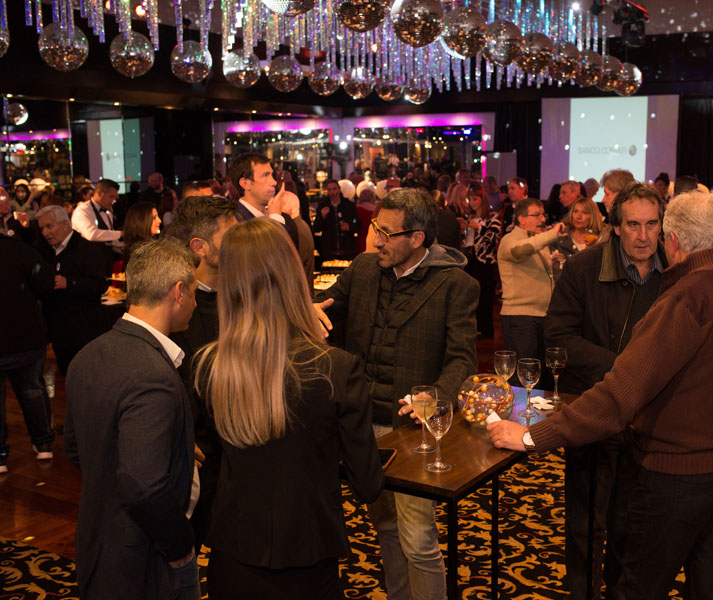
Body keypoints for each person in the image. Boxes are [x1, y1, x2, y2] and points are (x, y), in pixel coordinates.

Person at [490, 192, 713, 599]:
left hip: (677, 472)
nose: (648, 237)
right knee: (712, 582)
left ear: (672, 239)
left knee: (639, 587)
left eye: (656, 229)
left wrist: (531, 436)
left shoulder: (685, 298)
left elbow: (621, 394)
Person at [195, 218, 383, 599]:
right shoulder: (336, 368)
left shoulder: (209, 366)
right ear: (293, 275)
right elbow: (368, 484)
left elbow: (210, 471)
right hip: (307, 558)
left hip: (232, 556)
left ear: (229, 285)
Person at [314, 188, 478, 600]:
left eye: (386, 233)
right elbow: (324, 306)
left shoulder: (456, 285)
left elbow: (462, 360)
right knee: (384, 526)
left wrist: (434, 398)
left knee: (418, 539)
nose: (376, 240)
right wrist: (305, 309)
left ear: (417, 238)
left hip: (410, 430)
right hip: (360, 424)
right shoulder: (363, 269)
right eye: (376, 228)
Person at [544, 182, 666, 599]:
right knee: (585, 523)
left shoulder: (675, 272)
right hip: (594, 411)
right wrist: (624, 368)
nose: (644, 235)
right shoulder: (584, 268)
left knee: (632, 522)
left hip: (650, 420)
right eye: (633, 225)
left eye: (652, 224)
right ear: (615, 226)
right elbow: (557, 337)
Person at [64, 239, 200, 600]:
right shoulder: (152, 374)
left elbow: (77, 447)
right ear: (179, 292)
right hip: (144, 562)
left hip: (99, 547)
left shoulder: (87, 355)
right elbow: (143, 485)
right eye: (194, 293)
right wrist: (180, 545)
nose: (196, 303)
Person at [165, 194, 238, 550]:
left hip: (243, 450)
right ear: (200, 247)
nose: (241, 242)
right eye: (231, 235)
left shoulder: (245, 291)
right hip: (199, 455)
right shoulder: (174, 305)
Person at [0, 202, 55, 475]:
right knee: (33, 391)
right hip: (25, 336)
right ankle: (44, 444)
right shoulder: (18, 249)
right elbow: (45, 284)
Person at [36, 205, 113, 375]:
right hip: (59, 332)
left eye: (49, 226)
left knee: (87, 377)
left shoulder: (86, 249)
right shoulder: (45, 252)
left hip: (83, 331)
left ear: (65, 225)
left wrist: (69, 283)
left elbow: (100, 284)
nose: (45, 232)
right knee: (67, 377)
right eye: (42, 228)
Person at [497, 198, 567, 370]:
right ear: (521, 219)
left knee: (541, 374)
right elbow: (521, 250)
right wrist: (552, 234)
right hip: (520, 317)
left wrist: (555, 267)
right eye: (536, 215)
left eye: (543, 215)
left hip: (543, 315)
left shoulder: (537, 241)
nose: (542, 219)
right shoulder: (509, 240)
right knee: (524, 374)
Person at [227, 153, 300, 250]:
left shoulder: (284, 218)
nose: (274, 182)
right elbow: (271, 255)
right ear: (245, 183)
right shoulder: (233, 222)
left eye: (272, 175)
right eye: (265, 175)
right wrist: (276, 219)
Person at [465, 186, 502, 339]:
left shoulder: (493, 216)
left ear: (482, 199)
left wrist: (479, 227)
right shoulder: (469, 216)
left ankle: (485, 329)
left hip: (486, 262)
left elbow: (494, 236)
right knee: (472, 296)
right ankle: (475, 327)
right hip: (471, 260)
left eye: (475, 199)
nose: (472, 202)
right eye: (470, 199)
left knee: (485, 297)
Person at [313, 179, 361, 261]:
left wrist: (349, 227)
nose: (332, 192)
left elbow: (358, 226)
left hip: (347, 250)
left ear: (339, 189)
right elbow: (316, 228)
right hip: (328, 251)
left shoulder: (349, 206)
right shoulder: (323, 206)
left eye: (334, 189)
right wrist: (322, 216)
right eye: (329, 190)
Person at [550, 197, 604, 261]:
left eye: (584, 212)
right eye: (575, 211)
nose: (578, 216)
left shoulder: (601, 238)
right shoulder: (561, 236)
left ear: (592, 216)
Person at [71, 179, 122, 244]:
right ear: (100, 193)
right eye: (111, 197)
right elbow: (91, 234)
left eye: (115, 198)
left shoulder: (107, 212)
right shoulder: (83, 211)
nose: (114, 201)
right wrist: (121, 233)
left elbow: (109, 239)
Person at [121, 201, 161, 267]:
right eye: (154, 218)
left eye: (157, 217)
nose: (159, 221)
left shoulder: (147, 246)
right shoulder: (140, 251)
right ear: (141, 221)